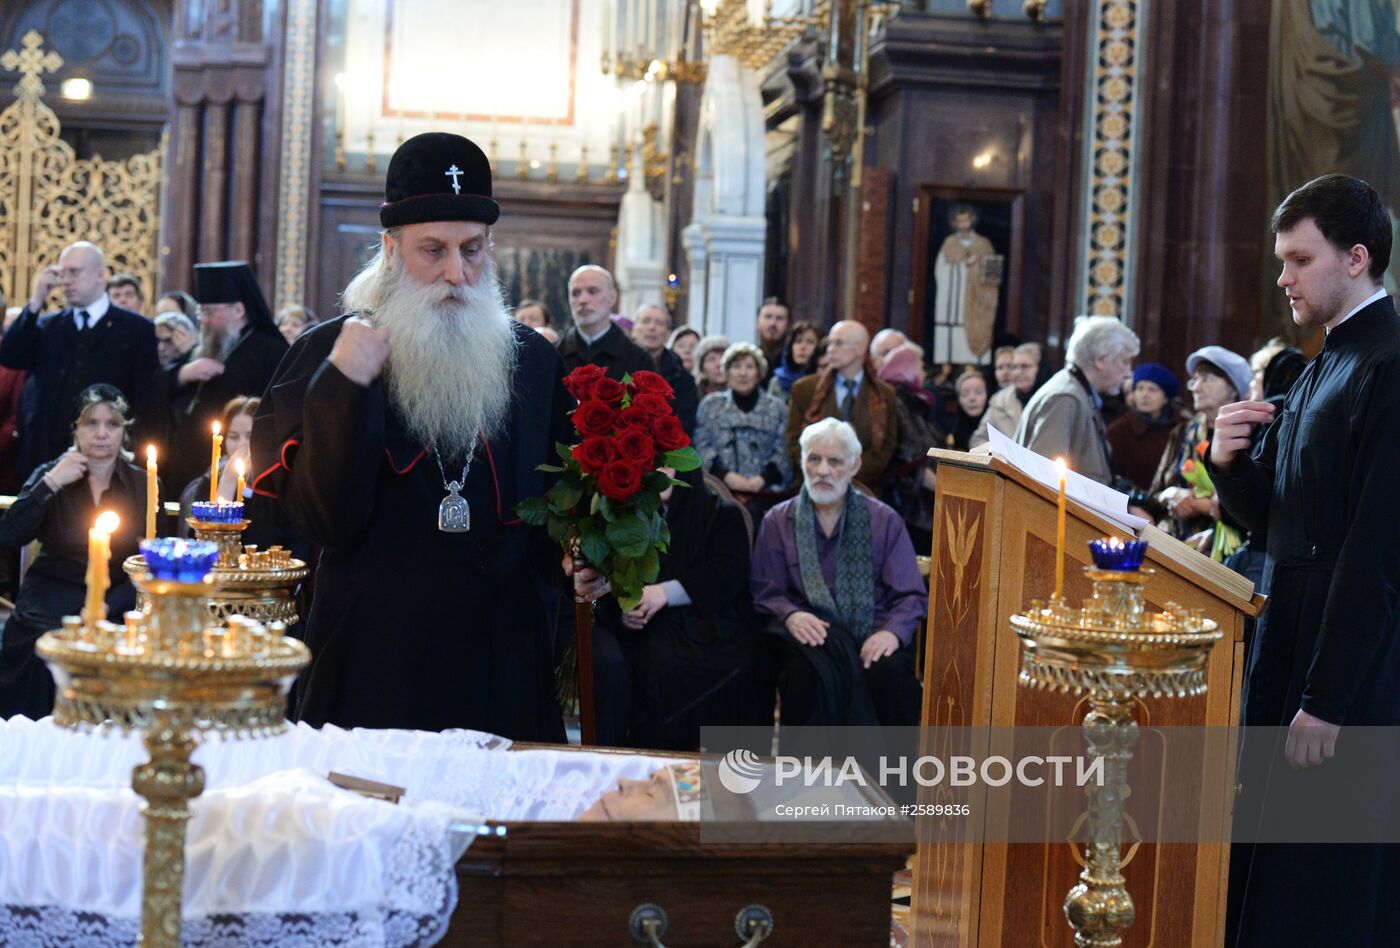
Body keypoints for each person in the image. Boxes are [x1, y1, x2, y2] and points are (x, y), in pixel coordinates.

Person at [251, 131, 571, 740]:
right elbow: (323, 522)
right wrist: (345, 386)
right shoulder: (328, 354)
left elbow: (558, 511)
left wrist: (583, 555)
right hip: (375, 661)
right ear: (392, 250)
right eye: (434, 250)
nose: (458, 272)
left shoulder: (531, 361)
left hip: (502, 661)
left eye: (473, 249)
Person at [1210, 174, 1400, 947]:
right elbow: (1278, 522)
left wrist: (1327, 697)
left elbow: (1376, 551)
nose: (1283, 278)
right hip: (1289, 639)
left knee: (1319, 890)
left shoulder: (1388, 365)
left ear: (1356, 259)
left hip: (1347, 669)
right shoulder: (1323, 361)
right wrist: (1228, 466)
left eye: (1298, 259)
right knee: (1268, 871)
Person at [751, 418, 925, 726]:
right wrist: (791, 616)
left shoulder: (884, 521)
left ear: (854, 465)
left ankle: (889, 775)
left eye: (834, 461)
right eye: (814, 459)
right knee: (803, 675)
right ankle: (804, 774)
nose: (822, 471)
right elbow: (767, 590)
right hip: (810, 636)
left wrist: (891, 633)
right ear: (801, 461)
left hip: (875, 631)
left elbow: (910, 595)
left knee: (888, 676)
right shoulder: (777, 521)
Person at [582, 468, 768, 750]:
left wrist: (664, 593)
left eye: (667, 464)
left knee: (740, 662)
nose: (659, 473)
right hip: (646, 628)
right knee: (647, 658)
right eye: (650, 463)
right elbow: (606, 582)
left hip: (707, 618)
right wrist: (626, 607)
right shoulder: (621, 516)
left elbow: (728, 573)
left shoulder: (721, 513)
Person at [0, 385, 153, 720]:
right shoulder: (51, 474)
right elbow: (10, 533)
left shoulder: (141, 483)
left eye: (111, 424)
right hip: (52, 588)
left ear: (124, 431)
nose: (101, 434)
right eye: (91, 424)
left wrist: (110, 602)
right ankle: (37, 732)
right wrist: (51, 483)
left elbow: (148, 562)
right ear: (76, 430)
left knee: (124, 642)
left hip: (117, 592)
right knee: (42, 637)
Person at [0, 241, 158, 484]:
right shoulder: (48, 326)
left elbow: (147, 401)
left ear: (100, 275)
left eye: (74, 272)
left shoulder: (136, 329)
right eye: (62, 273)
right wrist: (35, 302)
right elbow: (11, 355)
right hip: (48, 459)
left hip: (107, 462)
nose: (66, 280)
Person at [157, 262, 289, 497]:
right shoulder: (206, 347)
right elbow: (158, 386)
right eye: (201, 312)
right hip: (187, 472)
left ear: (238, 310)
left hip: (238, 477)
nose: (203, 320)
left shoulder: (271, 352)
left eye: (210, 312)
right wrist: (185, 373)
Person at [1147, 346, 1250, 557]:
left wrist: (1199, 505)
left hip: (1225, 553)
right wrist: (1171, 495)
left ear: (1233, 388)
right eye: (1194, 380)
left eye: (1207, 379)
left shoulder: (1248, 434)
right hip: (1171, 544)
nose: (1196, 387)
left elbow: (1252, 506)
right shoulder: (1183, 432)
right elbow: (1153, 495)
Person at [1014, 315, 1138, 484]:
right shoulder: (1065, 398)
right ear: (1100, 360)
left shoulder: (1076, 391)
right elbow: (1044, 479)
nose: (1128, 372)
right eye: (1125, 362)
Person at [785, 320, 898, 486]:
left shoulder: (884, 394)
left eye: (838, 343)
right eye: (830, 343)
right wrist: (822, 470)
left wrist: (847, 473)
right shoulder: (805, 389)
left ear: (860, 348)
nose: (831, 349)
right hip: (815, 484)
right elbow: (794, 441)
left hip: (866, 488)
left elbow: (885, 448)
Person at [694, 343, 792, 500]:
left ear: (759, 373)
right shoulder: (710, 405)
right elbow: (702, 447)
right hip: (718, 493)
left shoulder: (777, 408)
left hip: (765, 495)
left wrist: (760, 481)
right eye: (736, 366)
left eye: (749, 367)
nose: (742, 373)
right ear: (726, 372)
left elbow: (783, 452)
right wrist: (727, 477)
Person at [877, 344, 943, 552]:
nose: (924, 373)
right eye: (920, 367)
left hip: (922, 503)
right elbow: (911, 458)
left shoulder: (914, 401)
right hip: (908, 507)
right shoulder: (896, 402)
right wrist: (946, 487)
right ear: (907, 369)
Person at [556, 266, 653, 382]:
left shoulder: (638, 360)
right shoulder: (554, 354)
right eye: (576, 293)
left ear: (612, 298)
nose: (582, 300)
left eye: (592, 291)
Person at [933, 204, 1001, 364]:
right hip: (953, 302)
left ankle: (974, 365)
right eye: (959, 221)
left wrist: (977, 265)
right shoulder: (949, 243)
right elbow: (940, 270)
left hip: (976, 301)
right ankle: (946, 366)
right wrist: (963, 266)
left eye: (966, 220)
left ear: (972, 221)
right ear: (955, 223)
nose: (963, 224)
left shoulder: (983, 243)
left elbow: (993, 275)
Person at [1105, 362, 1180, 494]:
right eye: (1139, 388)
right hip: (1131, 505)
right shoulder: (1119, 430)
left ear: (1166, 398)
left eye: (1152, 389)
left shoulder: (1181, 428)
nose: (1144, 395)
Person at [630, 303, 699, 435]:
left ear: (667, 334)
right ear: (634, 329)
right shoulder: (617, 365)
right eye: (645, 321)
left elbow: (683, 425)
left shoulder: (683, 378)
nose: (652, 327)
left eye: (659, 323)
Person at [970, 341, 1041, 448]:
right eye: (999, 368)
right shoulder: (998, 401)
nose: (1005, 372)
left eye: (1010, 366)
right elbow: (978, 439)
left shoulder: (1047, 396)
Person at [767, 320, 820, 403]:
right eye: (798, 341)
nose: (803, 347)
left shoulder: (823, 380)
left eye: (810, 342)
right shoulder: (777, 382)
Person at [947, 368, 987, 451]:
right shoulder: (950, 434)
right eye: (965, 394)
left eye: (979, 392)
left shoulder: (999, 428)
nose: (972, 398)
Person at [755, 298, 790, 384]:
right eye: (768, 317)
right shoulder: (750, 361)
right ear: (757, 323)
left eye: (780, 318)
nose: (773, 323)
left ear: (789, 325)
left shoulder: (795, 363)